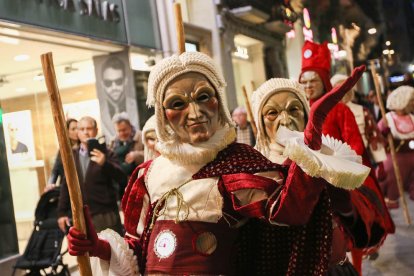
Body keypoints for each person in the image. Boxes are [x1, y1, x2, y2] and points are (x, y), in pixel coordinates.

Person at [66, 52, 370, 275]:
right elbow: (139, 247)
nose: (195, 112)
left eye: (204, 97)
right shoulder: (147, 174)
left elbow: (288, 212)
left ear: (220, 103)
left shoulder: (239, 165)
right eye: (177, 103)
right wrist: (100, 248)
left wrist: (310, 147)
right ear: (161, 114)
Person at [299, 41, 394, 275]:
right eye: (304, 81)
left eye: (313, 81)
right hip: (308, 178)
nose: (308, 86)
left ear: (323, 82)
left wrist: (337, 168)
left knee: (352, 223)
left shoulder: (341, 109)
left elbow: (355, 145)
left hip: (339, 176)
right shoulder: (298, 109)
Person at [57, 116, 126, 235]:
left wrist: (105, 163)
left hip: (106, 214)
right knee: (87, 253)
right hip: (81, 217)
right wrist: (62, 213)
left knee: (112, 251)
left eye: (89, 128)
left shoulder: (107, 152)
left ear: (95, 130)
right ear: (77, 132)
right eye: (82, 129)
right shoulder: (71, 156)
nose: (85, 132)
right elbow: (65, 185)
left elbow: (122, 178)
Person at [377, 85, 414, 207]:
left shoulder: (412, 118)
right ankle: (391, 199)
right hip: (395, 156)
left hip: (411, 154)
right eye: (411, 100)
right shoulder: (388, 119)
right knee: (390, 172)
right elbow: (377, 138)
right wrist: (384, 133)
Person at [99, 56, 137, 139]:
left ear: (125, 81)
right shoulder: (100, 110)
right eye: (108, 83)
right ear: (102, 84)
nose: (114, 87)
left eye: (118, 81)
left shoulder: (136, 105)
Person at [109, 112, 144, 199]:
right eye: (119, 131)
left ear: (130, 126)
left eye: (124, 130)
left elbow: (152, 154)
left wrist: (136, 155)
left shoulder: (141, 136)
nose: (122, 133)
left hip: (140, 180)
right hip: (122, 184)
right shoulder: (113, 142)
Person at [45, 118, 80, 192]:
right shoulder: (63, 150)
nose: (77, 131)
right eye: (73, 129)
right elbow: (55, 170)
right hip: (66, 188)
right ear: (67, 132)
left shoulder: (83, 148)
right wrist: (50, 184)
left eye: (78, 128)